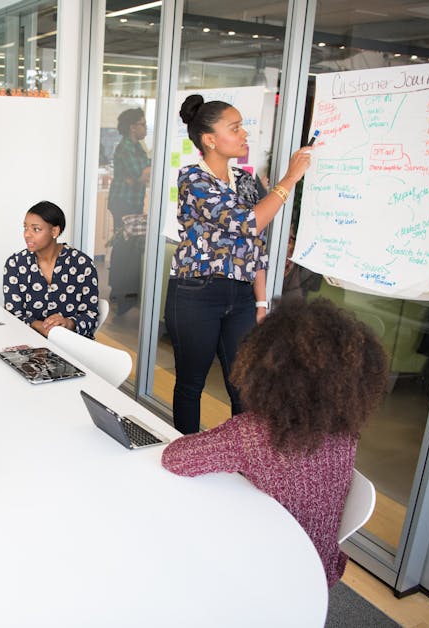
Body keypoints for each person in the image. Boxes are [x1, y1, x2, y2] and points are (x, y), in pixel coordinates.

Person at [161, 297, 389, 588]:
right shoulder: (344, 434)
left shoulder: (252, 433)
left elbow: (175, 458)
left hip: (264, 575)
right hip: (318, 571)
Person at [165, 94, 313, 434]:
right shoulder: (193, 180)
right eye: (235, 128)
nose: (244, 135)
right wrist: (290, 178)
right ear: (210, 139)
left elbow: (254, 245)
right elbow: (248, 223)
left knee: (244, 387)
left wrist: (261, 301)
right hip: (196, 293)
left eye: (243, 127)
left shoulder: (245, 181)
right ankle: (185, 454)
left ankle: (243, 461)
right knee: (191, 383)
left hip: (242, 295)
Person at [3, 201, 100, 338]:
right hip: (28, 342)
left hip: (72, 345)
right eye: (25, 228)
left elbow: (91, 316)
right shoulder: (15, 264)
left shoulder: (82, 265)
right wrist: (40, 327)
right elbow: (12, 314)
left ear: (54, 231)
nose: (27, 235)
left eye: (36, 229)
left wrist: (67, 323)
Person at [107, 108, 151, 314]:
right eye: (142, 123)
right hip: (123, 202)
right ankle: (119, 292)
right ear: (133, 127)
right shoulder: (126, 147)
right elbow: (142, 174)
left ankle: (121, 292)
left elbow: (144, 173)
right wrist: (141, 173)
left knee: (125, 245)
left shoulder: (137, 147)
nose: (145, 127)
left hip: (132, 201)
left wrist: (141, 174)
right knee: (123, 245)